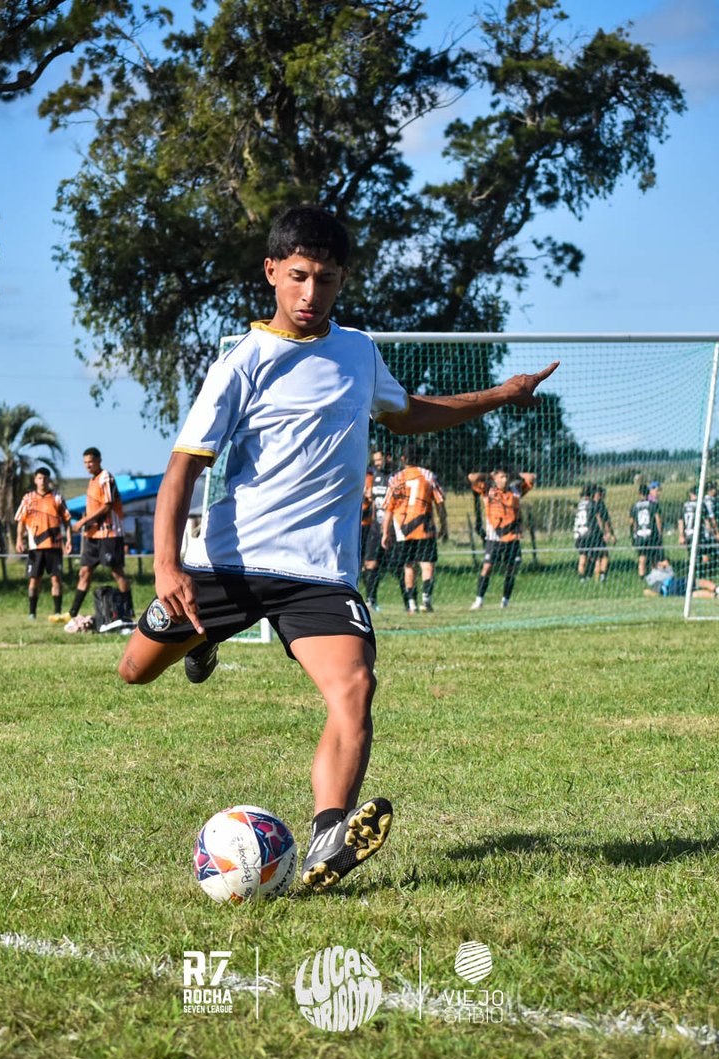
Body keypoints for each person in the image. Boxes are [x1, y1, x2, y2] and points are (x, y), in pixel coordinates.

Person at [115, 206, 558, 893]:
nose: (309, 293)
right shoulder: (240, 364)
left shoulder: (358, 351)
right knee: (135, 671)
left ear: (343, 279)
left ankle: (328, 835)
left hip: (319, 574)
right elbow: (183, 469)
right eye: (297, 276)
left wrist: (500, 394)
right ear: (271, 271)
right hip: (230, 564)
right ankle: (200, 644)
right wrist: (168, 566)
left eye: (324, 280)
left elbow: (407, 413)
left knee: (355, 687)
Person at [384, 445, 447, 613]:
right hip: (424, 527)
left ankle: (412, 603)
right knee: (427, 564)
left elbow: (388, 508)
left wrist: (385, 532)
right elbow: (440, 502)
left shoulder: (395, 478)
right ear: (420, 458)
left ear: (403, 459)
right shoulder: (428, 476)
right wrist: (443, 524)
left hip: (403, 529)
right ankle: (426, 599)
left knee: (409, 565)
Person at [70, 447, 132, 617]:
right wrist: (86, 522)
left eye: (90, 461)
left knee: (117, 572)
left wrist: (83, 521)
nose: (88, 465)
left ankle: (128, 610)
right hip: (93, 535)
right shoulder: (92, 481)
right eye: (85, 462)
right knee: (84, 572)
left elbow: (107, 506)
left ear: (99, 460)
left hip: (109, 533)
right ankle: (73, 613)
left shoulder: (106, 477)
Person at [468, 468, 536, 609]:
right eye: (502, 477)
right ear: (495, 479)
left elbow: (531, 477)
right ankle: (479, 600)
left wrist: (516, 474)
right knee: (487, 567)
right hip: (494, 538)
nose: (505, 479)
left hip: (512, 537)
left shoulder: (515, 490)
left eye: (506, 476)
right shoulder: (487, 490)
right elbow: (472, 477)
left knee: (511, 569)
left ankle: (505, 601)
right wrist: (488, 475)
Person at [15, 467, 73, 619]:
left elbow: (67, 521)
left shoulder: (57, 498)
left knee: (56, 579)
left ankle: (57, 612)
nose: (42, 481)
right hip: (35, 548)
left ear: (49, 480)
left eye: (45, 478)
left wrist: (69, 540)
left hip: (54, 547)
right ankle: (32, 613)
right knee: (34, 580)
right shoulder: (28, 498)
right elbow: (21, 521)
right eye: (40, 478)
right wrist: (19, 539)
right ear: (35, 480)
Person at [358, 450, 393, 610]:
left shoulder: (393, 476)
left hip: (391, 527)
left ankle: (410, 603)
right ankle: (369, 599)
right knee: (368, 563)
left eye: (379, 459)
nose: (377, 463)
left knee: (397, 566)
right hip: (370, 527)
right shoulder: (369, 475)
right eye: (375, 460)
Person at [574, 483, 615, 582]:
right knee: (600, 556)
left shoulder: (580, 505)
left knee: (583, 556)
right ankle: (600, 577)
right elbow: (599, 519)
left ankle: (582, 578)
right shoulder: (593, 504)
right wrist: (605, 533)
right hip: (591, 533)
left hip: (579, 534)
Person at [641, 558, 719, 600]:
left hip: (671, 593)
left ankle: (717, 596)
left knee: (693, 594)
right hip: (673, 584)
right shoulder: (659, 572)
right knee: (698, 582)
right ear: (656, 565)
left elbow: (651, 591)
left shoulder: (650, 578)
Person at [630, 482, 664, 577]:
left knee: (642, 557)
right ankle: (654, 575)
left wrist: (633, 534)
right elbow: (658, 519)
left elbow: (632, 522)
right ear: (648, 493)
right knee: (653, 556)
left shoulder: (634, 506)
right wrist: (660, 532)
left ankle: (642, 575)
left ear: (639, 493)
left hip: (640, 533)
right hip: (651, 533)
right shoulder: (653, 504)